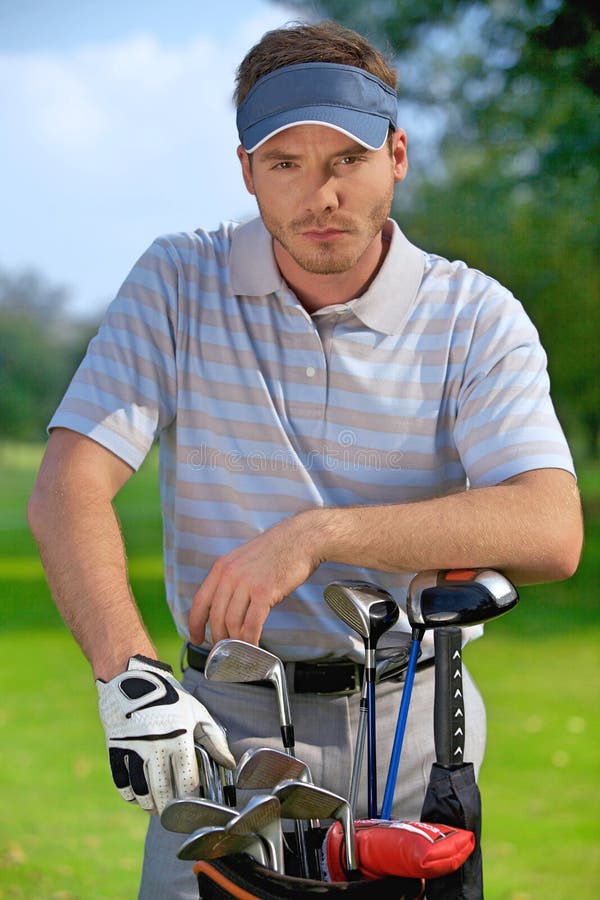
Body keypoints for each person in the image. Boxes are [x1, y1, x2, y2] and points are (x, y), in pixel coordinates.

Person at [28, 19, 582, 900]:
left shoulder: (475, 315)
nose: (318, 197)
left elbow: (550, 529)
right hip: (223, 733)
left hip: (411, 723)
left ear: (396, 156)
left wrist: (317, 535)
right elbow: (68, 489)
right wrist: (129, 677)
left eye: (346, 161)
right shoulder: (177, 283)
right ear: (246, 170)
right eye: (285, 163)